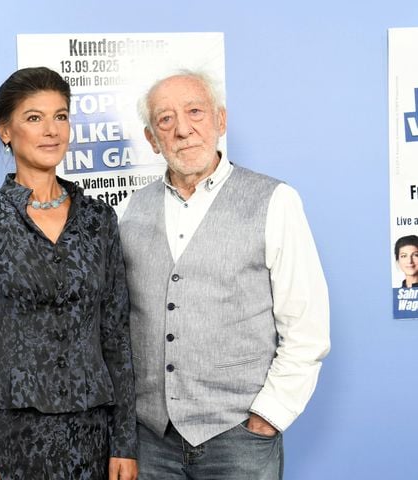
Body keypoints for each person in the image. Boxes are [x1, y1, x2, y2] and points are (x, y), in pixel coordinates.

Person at [119, 71, 330, 480]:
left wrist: (268, 416)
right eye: (165, 120)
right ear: (151, 139)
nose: (182, 129)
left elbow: (307, 326)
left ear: (220, 120)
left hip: (238, 439)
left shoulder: (275, 201)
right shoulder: (130, 210)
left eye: (195, 111)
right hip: (149, 442)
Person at [0, 66, 138, 480]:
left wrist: (125, 442)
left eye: (61, 116)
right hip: (11, 437)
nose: (52, 130)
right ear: (5, 131)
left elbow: (116, 335)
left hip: (94, 434)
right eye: (34, 118)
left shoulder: (99, 219)